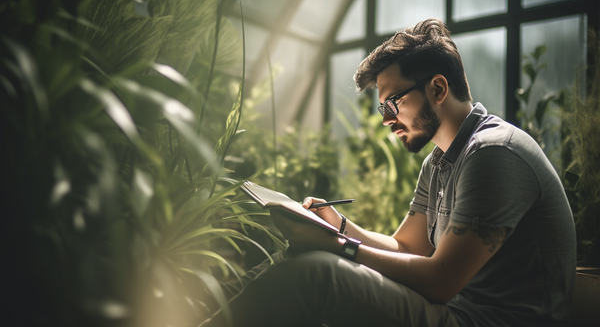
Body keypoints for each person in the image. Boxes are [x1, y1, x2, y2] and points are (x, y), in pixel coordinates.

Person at [201, 18, 576, 327]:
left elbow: (441, 281)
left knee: (317, 274)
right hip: (459, 314)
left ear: (438, 88)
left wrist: (336, 247)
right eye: (383, 108)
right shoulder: (440, 162)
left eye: (392, 103)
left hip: (485, 320)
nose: (386, 121)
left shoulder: (495, 152)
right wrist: (339, 227)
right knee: (303, 260)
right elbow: (407, 248)